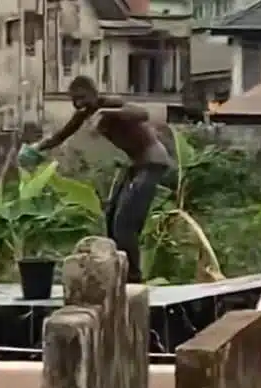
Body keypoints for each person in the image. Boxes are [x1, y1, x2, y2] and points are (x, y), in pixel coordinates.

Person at [25, 75, 173, 284]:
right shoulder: (85, 113)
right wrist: (36, 148)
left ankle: (133, 278)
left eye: (83, 98)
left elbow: (142, 113)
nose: (79, 104)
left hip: (153, 162)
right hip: (136, 165)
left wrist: (106, 112)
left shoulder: (109, 104)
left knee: (125, 224)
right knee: (111, 218)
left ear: (94, 94)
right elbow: (61, 135)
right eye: (75, 100)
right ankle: (120, 271)